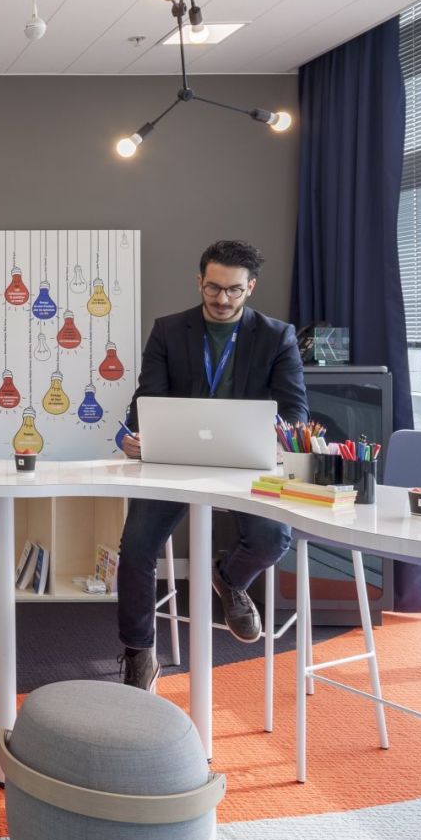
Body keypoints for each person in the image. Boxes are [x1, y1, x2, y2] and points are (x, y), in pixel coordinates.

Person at [115, 239, 307, 692]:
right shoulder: (168, 330)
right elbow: (148, 398)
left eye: (234, 290)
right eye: (214, 288)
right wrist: (131, 435)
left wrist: (280, 438)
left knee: (272, 538)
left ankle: (228, 579)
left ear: (250, 287)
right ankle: (139, 653)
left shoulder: (277, 336)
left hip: (246, 464)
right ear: (199, 281)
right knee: (136, 548)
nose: (222, 299)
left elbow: (295, 410)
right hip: (173, 460)